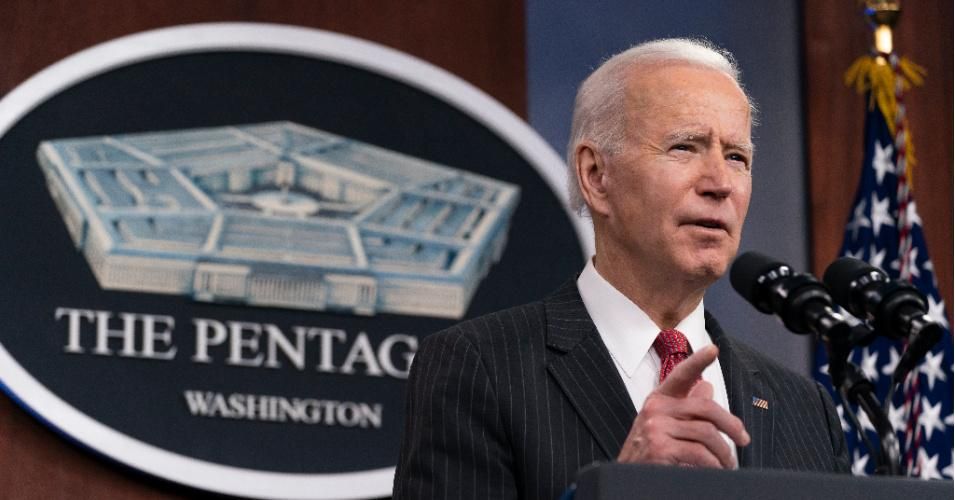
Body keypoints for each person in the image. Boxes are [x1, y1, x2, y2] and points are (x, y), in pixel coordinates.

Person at [393, 38, 849, 500]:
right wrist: (617, 490)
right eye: (684, 147)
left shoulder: (804, 407)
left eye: (737, 157)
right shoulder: (481, 368)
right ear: (596, 176)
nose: (720, 184)